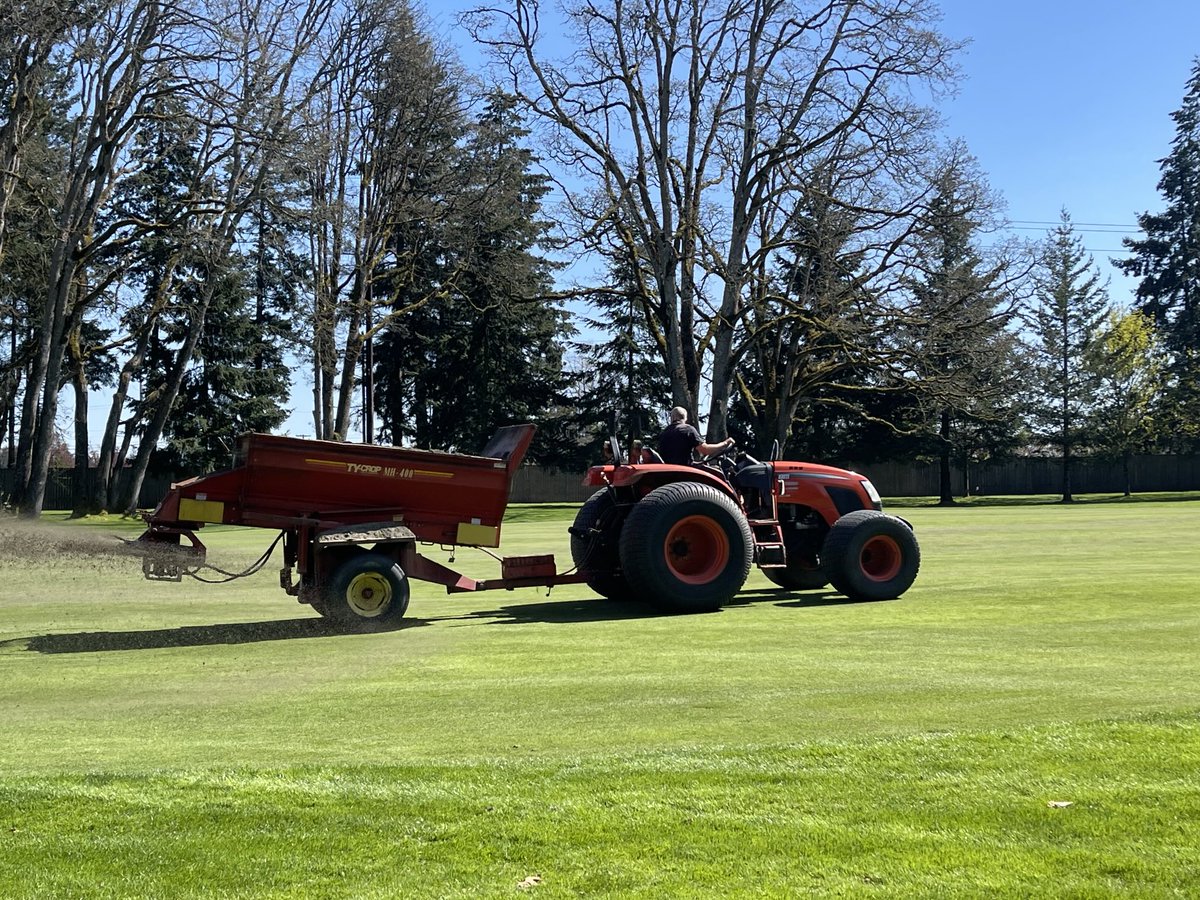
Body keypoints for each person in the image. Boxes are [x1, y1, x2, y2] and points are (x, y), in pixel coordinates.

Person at [657, 406, 735, 465]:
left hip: (667, 470)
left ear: (672, 418)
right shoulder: (688, 430)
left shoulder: (663, 433)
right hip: (684, 470)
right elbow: (705, 450)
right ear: (685, 418)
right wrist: (725, 443)